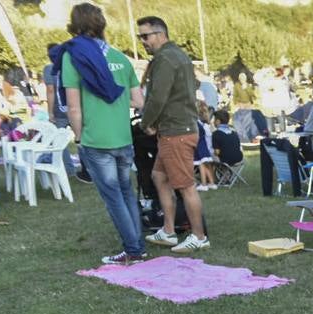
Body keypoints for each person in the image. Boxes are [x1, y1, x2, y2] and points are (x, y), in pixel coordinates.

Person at [59, 3, 145, 265]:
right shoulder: (121, 58)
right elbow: (138, 101)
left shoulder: (73, 56)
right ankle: (137, 245)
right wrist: (115, 103)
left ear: (75, 26)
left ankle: (133, 249)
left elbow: (73, 106)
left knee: (113, 197)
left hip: (96, 139)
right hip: (123, 137)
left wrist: (78, 136)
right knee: (126, 192)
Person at [137, 16, 209, 254]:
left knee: (185, 186)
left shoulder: (166, 58)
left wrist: (146, 122)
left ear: (160, 34)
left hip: (176, 132)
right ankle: (168, 231)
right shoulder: (177, 55)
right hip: (177, 129)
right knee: (159, 176)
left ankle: (199, 236)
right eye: (140, 37)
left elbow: (158, 97)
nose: (142, 42)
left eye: (145, 36)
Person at [42, 42, 88, 182]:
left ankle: (68, 169)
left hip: (59, 109)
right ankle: (88, 169)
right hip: (76, 108)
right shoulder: (72, 67)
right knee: (81, 139)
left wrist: (50, 112)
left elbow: (50, 90)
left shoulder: (49, 69)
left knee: (60, 142)